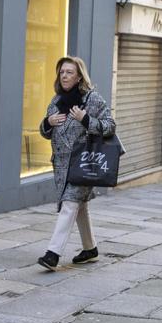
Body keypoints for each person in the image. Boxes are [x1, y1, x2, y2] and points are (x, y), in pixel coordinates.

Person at [37, 56, 116, 270]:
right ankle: (90, 249)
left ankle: (53, 253)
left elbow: (110, 126)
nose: (64, 76)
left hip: (83, 162)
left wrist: (86, 119)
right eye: (62, 72)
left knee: (70, 204)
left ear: (79, 76)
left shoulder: (92, 99)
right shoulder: (56, 101)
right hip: (61, 166)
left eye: (69, 72)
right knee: (78, 206)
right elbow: (44, 132)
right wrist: (47, 123)